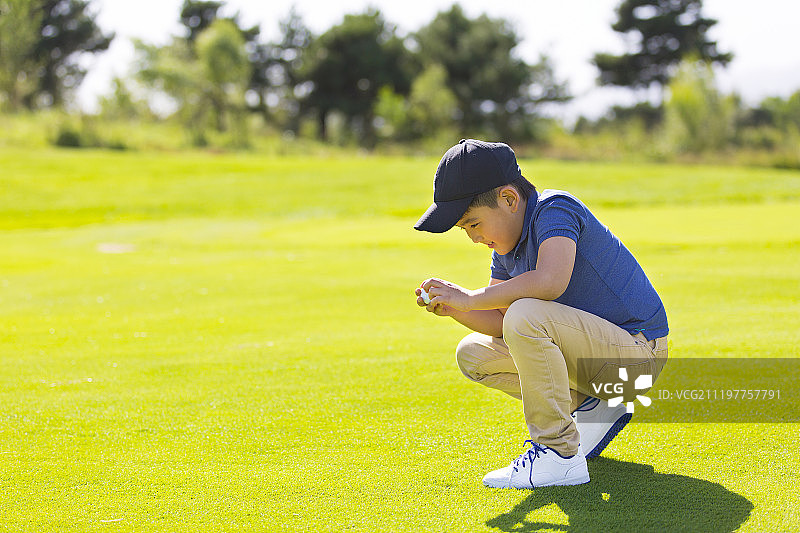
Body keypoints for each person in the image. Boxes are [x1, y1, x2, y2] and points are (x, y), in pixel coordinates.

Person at [413, 139, 669, 489]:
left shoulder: (555, 209)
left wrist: (471, 297)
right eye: (465, 229)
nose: (473, 238)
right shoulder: (506, 249)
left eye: (473, 224)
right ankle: (590, 403)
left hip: (639, 358)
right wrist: (456, 308)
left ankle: (559, 453)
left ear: (509, 199)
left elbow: (550, 281)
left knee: (526, 314)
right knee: (472, 353)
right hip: (597, 364)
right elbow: (504, 324)